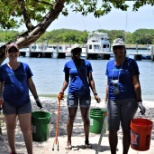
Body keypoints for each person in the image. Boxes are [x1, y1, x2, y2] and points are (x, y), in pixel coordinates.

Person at [105, 38, 146, 154]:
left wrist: (139, 101)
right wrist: (105, 100)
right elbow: (108, 84)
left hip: (129, 100)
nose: (119, 50)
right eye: (116, 48)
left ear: (125, 49)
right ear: (113, 50)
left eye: (121, 47)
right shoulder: (109, 64)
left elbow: (136, 83)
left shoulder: (131, 63)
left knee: (126, 129)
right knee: (112, 129)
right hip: (112, 100)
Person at [0, 43, 43, 154]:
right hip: (8, 102)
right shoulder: (2, 69)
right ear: (6, 54)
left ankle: (30, 152)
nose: (13, 53)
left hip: (24, 102)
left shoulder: (25, 67)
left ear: (18, 53)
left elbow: (31, 84)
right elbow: (0, 87)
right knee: (10, 128)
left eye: (15, 51)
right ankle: (13, 151)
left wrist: (37, 98)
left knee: (26, 129)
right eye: (10, 51)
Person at [58, 45, 101, 149]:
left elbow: (91, 80)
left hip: (85, 94)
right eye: (75, 51)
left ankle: (86, 140)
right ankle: (68, 141)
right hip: (72, 93)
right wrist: (61, 91)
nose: (77, 53)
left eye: (79, 51)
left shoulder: (87, 64)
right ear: (71, 53)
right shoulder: (68, 65)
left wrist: (95, 93)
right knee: (71, 117)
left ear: (81, 52)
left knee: (85, 118)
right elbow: (66, 80)